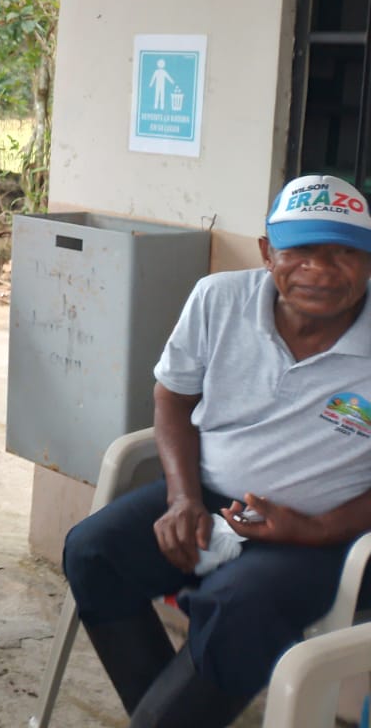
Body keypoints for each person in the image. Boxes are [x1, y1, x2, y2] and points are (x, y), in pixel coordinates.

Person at [62, 174, 371, 726]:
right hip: (206, 496)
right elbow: (172, 397)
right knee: (93, 552)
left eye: (344, 252)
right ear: (267, 252)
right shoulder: (220, 298)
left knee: (238, 607)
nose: (321, 270)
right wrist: (182, 498)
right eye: (300, 251)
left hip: (324, 535)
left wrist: (315, 529)